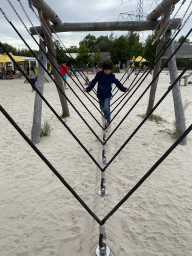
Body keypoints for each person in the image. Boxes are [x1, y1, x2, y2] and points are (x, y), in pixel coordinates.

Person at [84, 59, 129, 129]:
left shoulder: (112, 76)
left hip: (108, 95)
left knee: (106, 108)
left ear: (111, 69)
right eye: (106, 70)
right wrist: (87, 89)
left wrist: (124, 89)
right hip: (100, 95)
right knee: (102, 109)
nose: (108, 71)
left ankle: (108, 122)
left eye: (109, 70)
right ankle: (104, 117)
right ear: (103, 69)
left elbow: (118, 83)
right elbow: (93, 82)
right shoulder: (99, 74)